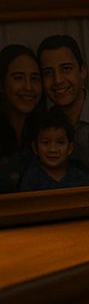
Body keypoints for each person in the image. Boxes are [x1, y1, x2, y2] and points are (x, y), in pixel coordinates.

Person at [39, 34, 89, 184]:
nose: (58, 80)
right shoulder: (41, 123)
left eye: (66, 69)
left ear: (83, 71)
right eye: (48, 73)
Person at [0, 44, 45, 193]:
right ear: (2, 84)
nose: (29, 87)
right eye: (18, 78)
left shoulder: (44, 133)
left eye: (35, 78)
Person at [19, 107, 89, 191]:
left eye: (60, 142)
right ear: (35, 148)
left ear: (70, 148)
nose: (53, 149)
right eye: (46, 142)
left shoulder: (80, 177)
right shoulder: (30, 179)